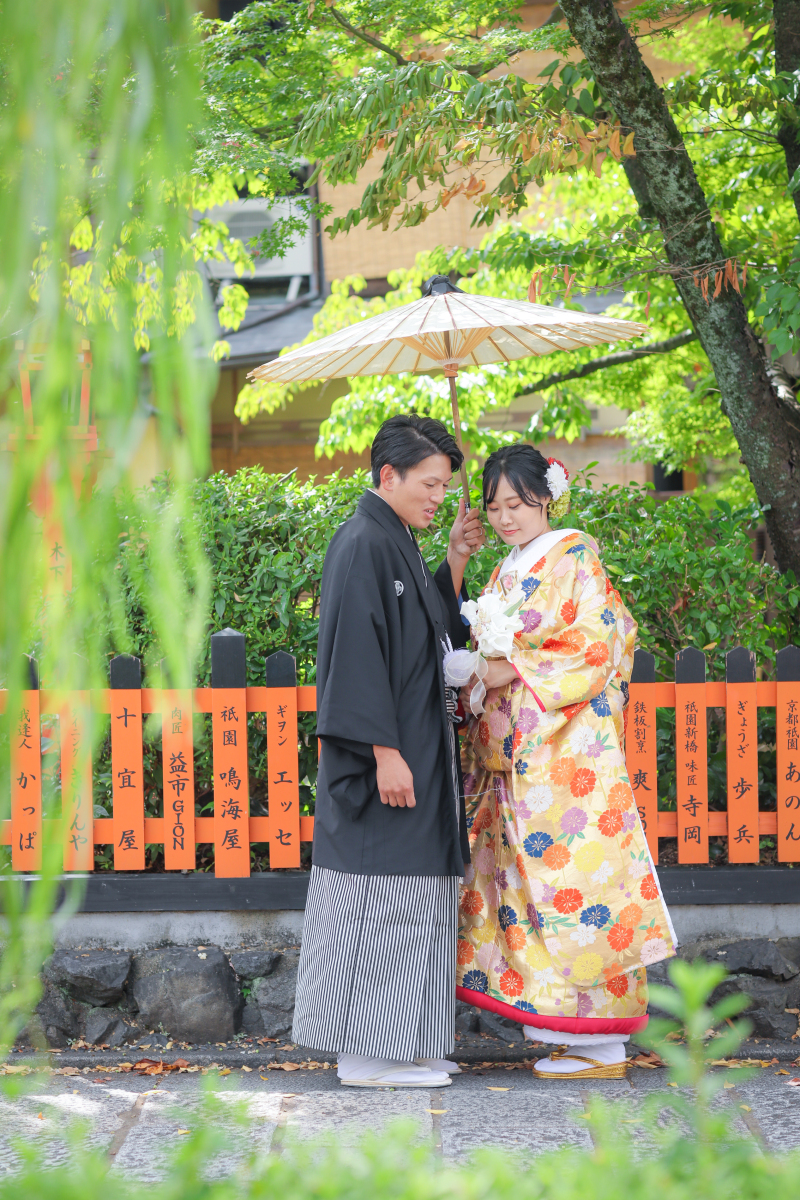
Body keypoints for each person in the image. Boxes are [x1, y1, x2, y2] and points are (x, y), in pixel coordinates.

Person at [456, 443, 676, 1079]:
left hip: (566, 755)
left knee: (580, 885)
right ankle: (567, 1033)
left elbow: (593, 645)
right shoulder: (505, 568)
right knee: (528, 894)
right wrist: (480, 670)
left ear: (547, 499)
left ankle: (602, 1042)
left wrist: (506, 667)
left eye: (519, 504)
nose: (506, 517)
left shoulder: (574, 556)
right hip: (519, 756)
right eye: (496, 506)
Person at [292, 415, 484, 1088]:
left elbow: (425, 627)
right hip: (388, 759)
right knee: (381, 900)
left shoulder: (392, 537)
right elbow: (354, 657)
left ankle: (401, 1046)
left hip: (415, 747)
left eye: (445, 486)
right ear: (388, 476)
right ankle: (367, 1057)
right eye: (429, 484)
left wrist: (454, 560)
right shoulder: (361, 542)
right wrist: (383, 752)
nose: (439, 497)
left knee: (414, 898)